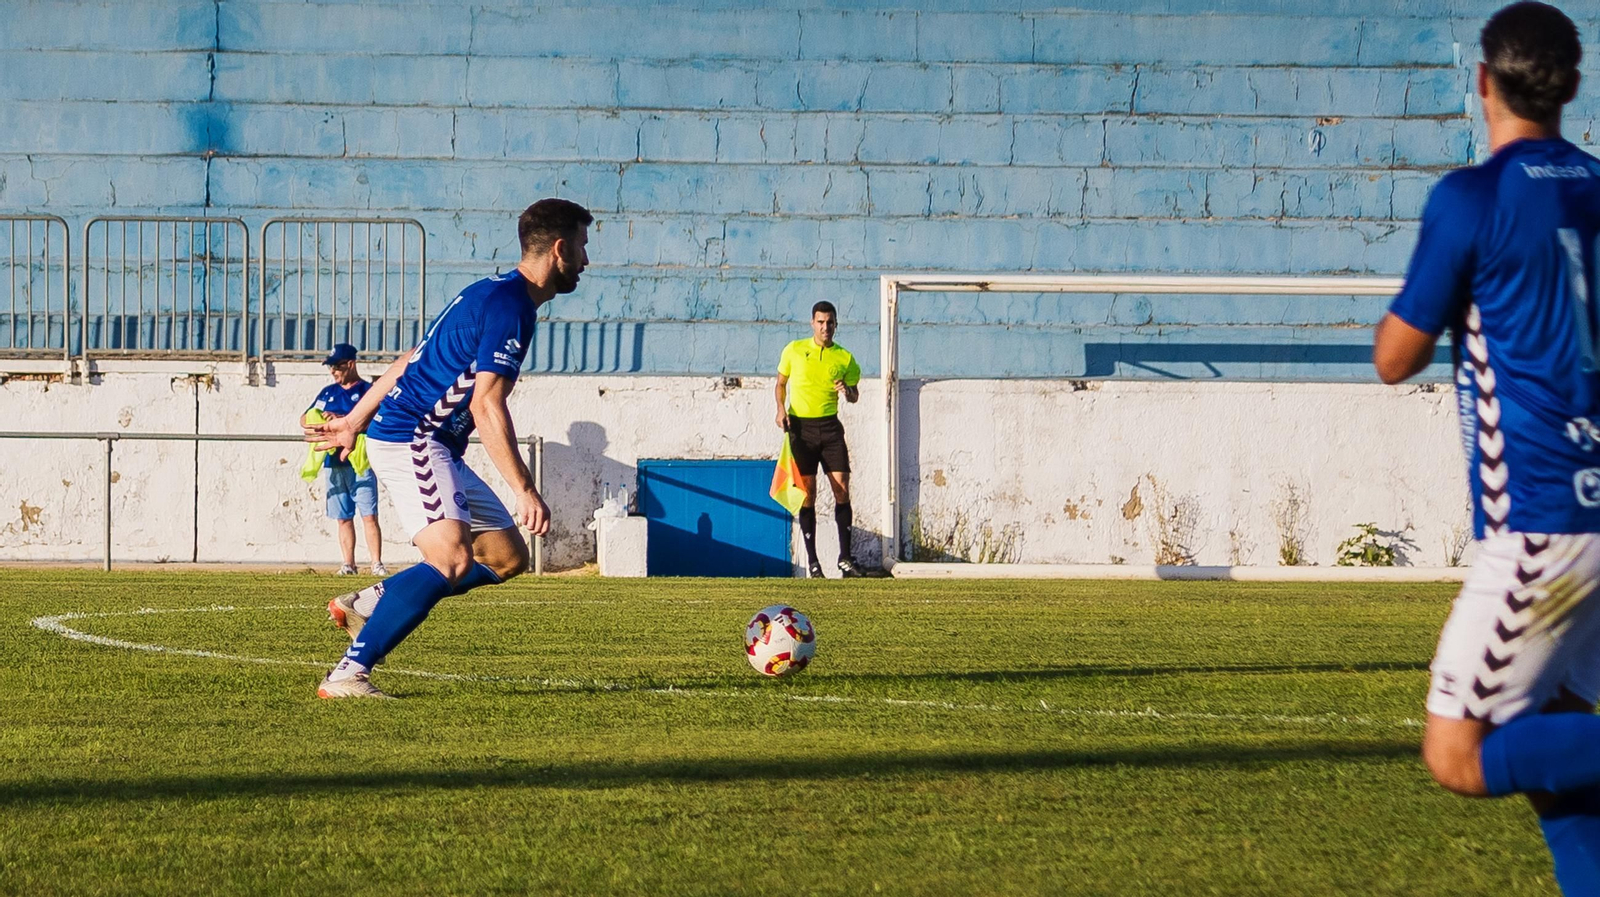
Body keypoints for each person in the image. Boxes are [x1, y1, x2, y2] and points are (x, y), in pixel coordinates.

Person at [1373, 4, 1600, 891]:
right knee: (1564, 770)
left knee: (1460, 751)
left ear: (1483, 82)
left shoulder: (1471, 197)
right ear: (1571, 87)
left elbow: (1396, 357)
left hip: (1541, 526)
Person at [305, 198, 592, 698]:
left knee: (506, 557)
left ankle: (375, 599)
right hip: (414, 436)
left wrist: (353, 420)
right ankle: (350, 674)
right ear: (560, 249)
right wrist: (524, 489)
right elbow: (486, 405)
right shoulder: (511, 307)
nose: (587, 262)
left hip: (433, 441)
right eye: (583, 248)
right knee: (453, 559)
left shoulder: (486, 292)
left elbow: (407, 361)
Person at [774, 301, 863, 579]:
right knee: (808, 494)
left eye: (830, 322)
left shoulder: (844, 358)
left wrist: (847, 390)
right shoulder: (794, 350)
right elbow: (780, 383)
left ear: (836, 324)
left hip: (830, 427)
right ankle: (813, 562)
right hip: (801, 429)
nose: (825, 327)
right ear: (812, 323)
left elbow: (855, 394)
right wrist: (780, 409)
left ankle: (845, 558)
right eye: (821, 322)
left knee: (841, 488)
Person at [301, 343, 386, 576]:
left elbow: (377, 420)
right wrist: (320, 421)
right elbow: (305, 418)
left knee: (369, 515)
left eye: (337, 366)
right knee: (343, 518)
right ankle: (348, 564)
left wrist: (346, 420)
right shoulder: (327, 393)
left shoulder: (368, 392)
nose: (333, 372)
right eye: (330, 367)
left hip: (359, 464)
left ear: (350, 364)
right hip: (334, 465)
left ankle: (376, 563)